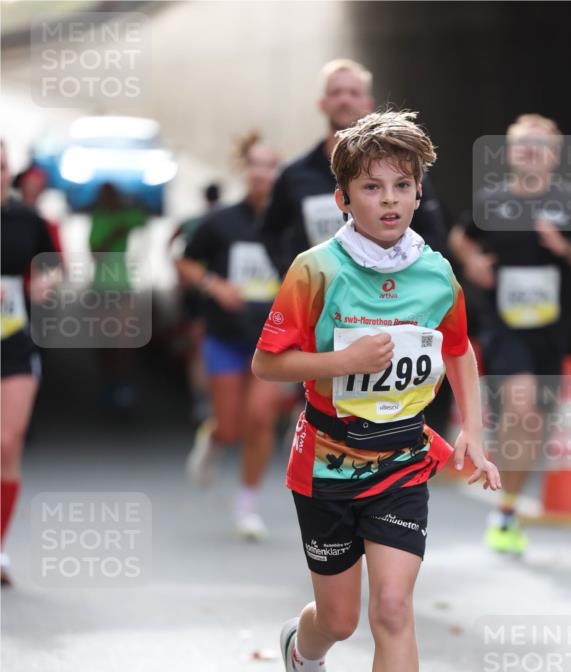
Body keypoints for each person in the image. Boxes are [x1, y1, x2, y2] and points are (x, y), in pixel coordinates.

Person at [252, 110, 500, 672]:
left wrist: (473, 433)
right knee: (340, 618)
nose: (389, 200)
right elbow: (268, 363)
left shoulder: (435, 270)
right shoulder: (316, 270)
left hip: (401, 460)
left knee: (393, 608)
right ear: (343, 198)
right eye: (371, 187)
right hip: (326, 465)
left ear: (419, 193)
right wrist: (343, 361)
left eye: (401, 186)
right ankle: (302, 656)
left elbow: (458, 349)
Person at [449, 114, 571, 554]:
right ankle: (504, 497)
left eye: (540, 145)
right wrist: (473, 261)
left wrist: (565, 248)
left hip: (551, 333)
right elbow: (461, 236)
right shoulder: (493, 201)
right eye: (522, 144)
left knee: (533, 422)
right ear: (509, 153)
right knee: (520, 406)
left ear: (555, 156)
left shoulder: (570, 203)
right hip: (504, 328)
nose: (531, 151)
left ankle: (507, 510)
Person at [177, 133, 284, 541]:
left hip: (273, 342)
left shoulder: (290, 225)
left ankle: (246, 507)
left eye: (269, 165)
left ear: (279, 173)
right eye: (255, 165)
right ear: (245, 171)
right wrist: (214, 285)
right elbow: (185, 262)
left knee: (260, 420)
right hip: (224, 336)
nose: (261, 173)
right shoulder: (221, 221)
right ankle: (213, 436)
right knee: (231, 427)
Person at [260, 59, 448, 278]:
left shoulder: (402, 170)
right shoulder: (294, 174)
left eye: (353, 92)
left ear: (368, 103)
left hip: (388, 289)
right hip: (320, 290)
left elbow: (433, 233)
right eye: (336, 92)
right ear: (322, 103)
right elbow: (270, 231)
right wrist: (291, 272)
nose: (345, 99)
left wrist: (408, 279)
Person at [1, 142, 58, 585]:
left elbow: (53, 263)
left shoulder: (26, 219)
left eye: (1, 166)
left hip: (13, 340)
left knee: (7, 441)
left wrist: (46, 281)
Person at [88, 183, 148, 413]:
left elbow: (142, 219)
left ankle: (123, 384)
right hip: (102, 287)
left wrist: (132, 203)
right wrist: (115, 233)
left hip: (122, 286)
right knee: (105, 340)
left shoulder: (125, 215)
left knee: (124, 340)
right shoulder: (100, 217)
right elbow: (94, 253)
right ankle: (108, 383)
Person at [168, 182, 222, 423]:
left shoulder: (191, 221)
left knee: (197, 347)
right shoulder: (225, 219)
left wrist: (180, 276)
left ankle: (202, 400)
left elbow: (171, 245)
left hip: (195, 287)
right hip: (217, 287)